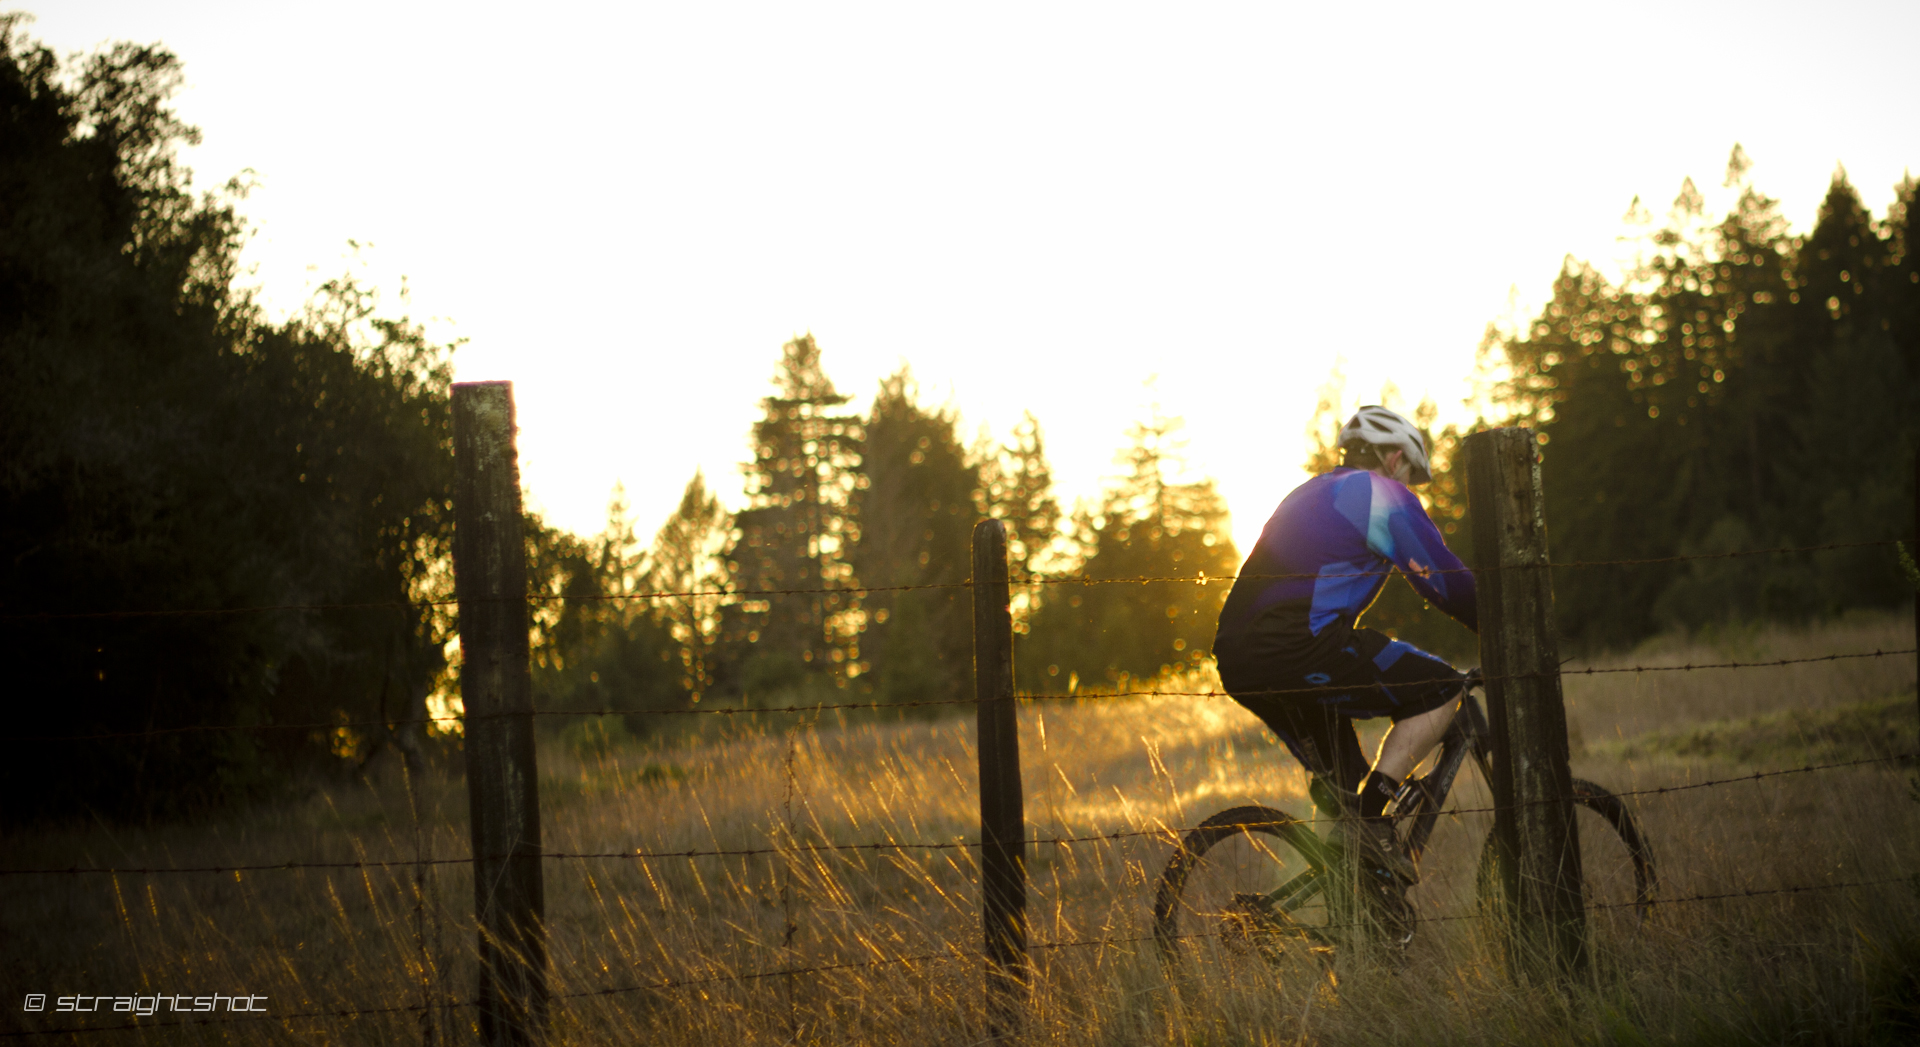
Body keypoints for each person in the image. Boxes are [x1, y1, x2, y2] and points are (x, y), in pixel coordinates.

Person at [1210, 405, 1477, 882]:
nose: (1410, 488)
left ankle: (1347, 914)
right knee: (1441, 687)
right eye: (1412, 475)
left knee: (1342, 784)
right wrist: (1504, 621)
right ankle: (1373, 825)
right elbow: (1444, 581)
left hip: (1239, 660)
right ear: (1395, 459)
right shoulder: (1379, 493)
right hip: (1298, 647)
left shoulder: (1307, 492)